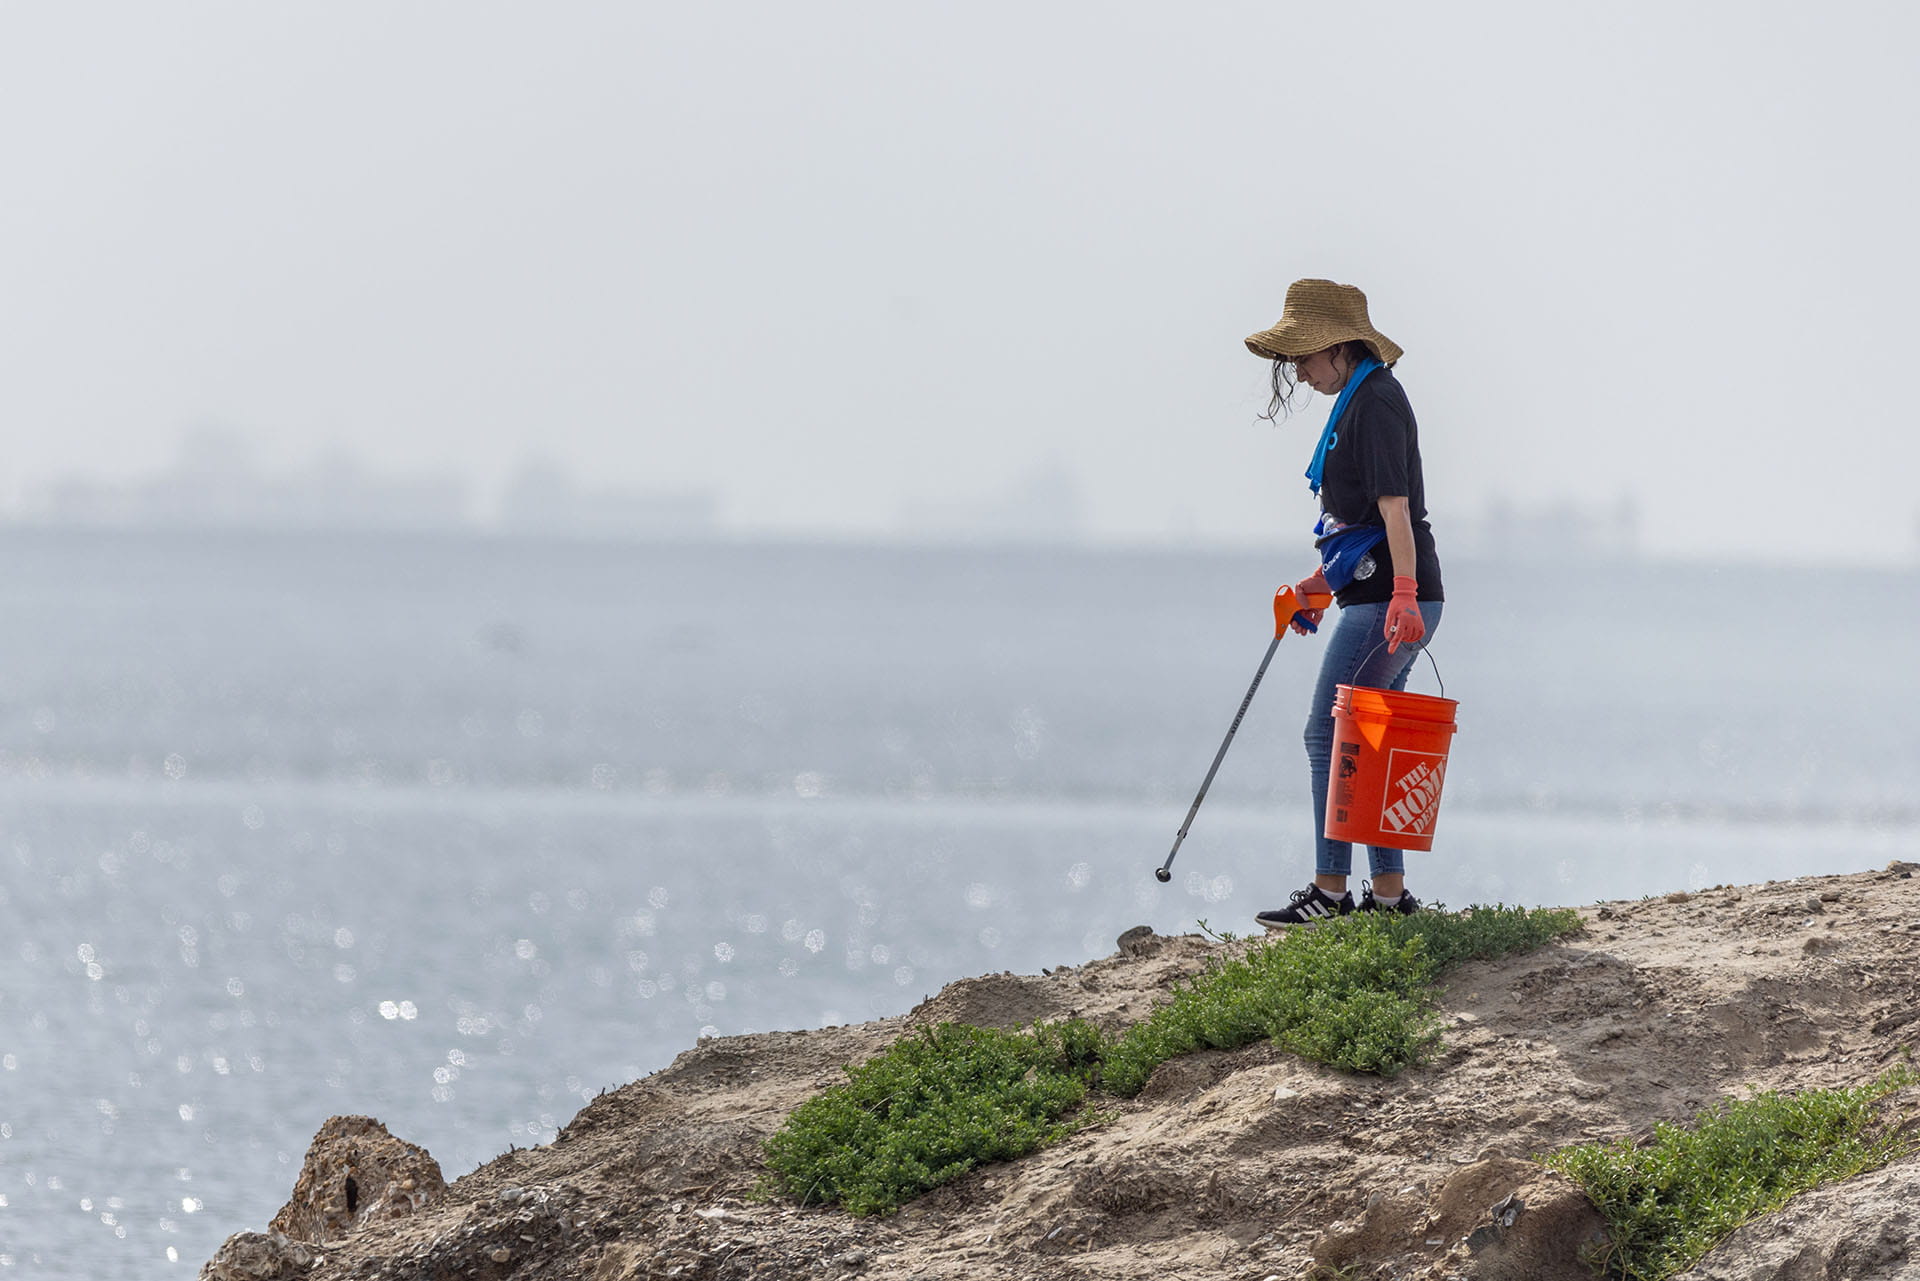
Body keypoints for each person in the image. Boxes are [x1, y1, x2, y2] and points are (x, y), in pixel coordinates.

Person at [1242, 279, 1445, 927]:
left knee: (1326, 731)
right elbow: (1357, 529)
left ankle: (1331, 891)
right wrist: (1316, 589)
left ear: (1337, 346)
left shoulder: (1377, 401)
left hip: (1393, 599)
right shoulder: (1357, 401)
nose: (1298, 371)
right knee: (1370, 739)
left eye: (1303, 355)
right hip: (1380, 594)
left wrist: (1405, 596)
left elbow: (1396, 511)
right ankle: (1389, 900)